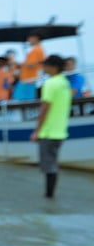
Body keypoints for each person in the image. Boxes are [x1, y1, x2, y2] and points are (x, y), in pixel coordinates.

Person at [30, 55, 72, 198]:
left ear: (53, 67)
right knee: (52, 162)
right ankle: (50, 195)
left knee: (48, 166)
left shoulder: (51, 83)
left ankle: (49, 195)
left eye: (46, 65)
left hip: (48, 131)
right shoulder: (64, 82)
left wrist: (37, 130)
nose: (43, 68)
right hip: (60, 131)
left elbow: (44, 108)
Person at [12, 33, 45, 100]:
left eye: (29, 38)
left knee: (20, 100)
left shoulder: (36, 50)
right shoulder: (39, 49)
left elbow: (32, 65)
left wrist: (17, 63)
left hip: (29, 80)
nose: (28, 40)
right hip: (30, 80)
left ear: (36, 38)